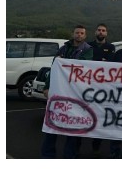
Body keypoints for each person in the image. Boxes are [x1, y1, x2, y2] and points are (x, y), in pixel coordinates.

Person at [40, 27, 93, 157]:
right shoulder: (63, 48)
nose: (79, 35)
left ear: (85, 36)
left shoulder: (88, 50)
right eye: (77, 33)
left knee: (73, 124)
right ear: (73, 34)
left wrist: (64, 61)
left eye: (81, 33)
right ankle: (48, 153)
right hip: (59, 90)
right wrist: (47, 87)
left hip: (76, 93)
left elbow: (84, 67)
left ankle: (70, 155)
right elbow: (54, 68)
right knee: (53, 122)